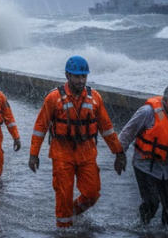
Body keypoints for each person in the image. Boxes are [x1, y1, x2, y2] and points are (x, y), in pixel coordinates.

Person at [28, 56, 125, 228]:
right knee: (63, 195)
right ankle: (64, 229)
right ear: (67, 75)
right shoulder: (53, 98)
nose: (81, 81)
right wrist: (33, 154)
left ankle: (73, 212)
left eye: (84, 77)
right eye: (77, 76)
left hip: (87, 152)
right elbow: (40, 127)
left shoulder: (94, 98)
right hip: (62, 153)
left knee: (92, 193)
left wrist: (118, 152)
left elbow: (107, 128)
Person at [115, 84, 168, 226]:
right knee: (152, 202)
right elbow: (126, 134)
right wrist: (120, 156)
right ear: (165, 100)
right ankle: (141, 226)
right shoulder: (147, 112)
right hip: (145, 165)